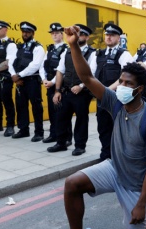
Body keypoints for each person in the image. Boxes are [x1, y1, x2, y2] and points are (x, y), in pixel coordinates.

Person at [61, 25, 146, 229]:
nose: (121, 86)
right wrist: (74, 45)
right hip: (113, 169)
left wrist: (141, 204)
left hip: (134, 184)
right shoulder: (116, 102)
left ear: (139, 89)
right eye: (120, 81)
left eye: (127, 83)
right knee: (72, 183)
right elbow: (86, 76)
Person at [47, 24, 96, 156]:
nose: (80, 37)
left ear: (87, 37)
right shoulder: (66, 52)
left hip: (82, 93)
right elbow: (60, 71)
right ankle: (61, 142)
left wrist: (81, 86)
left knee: (81, 120)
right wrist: (57, 91)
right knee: (61, 118)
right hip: (66, 91)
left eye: (83, 35)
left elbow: (92, 74)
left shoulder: (92, 53)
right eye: (78, 34)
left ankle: (80, 145)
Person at [91, 23, 133, 160]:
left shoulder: (124, 54)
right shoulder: (98, 54)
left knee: (119, 130)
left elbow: (125, 77)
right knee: (103, 128)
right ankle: (106, 156)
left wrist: (106, 90)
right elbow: (91, 75)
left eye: (112, 35)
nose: (109, 37)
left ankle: (119, 157)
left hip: (117, 99)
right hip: (102, 99)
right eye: (107, 35)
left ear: (118, 38)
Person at [9, 21, 45, 142]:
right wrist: (14, 76)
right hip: (19, 82)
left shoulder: (38, 47)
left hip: (32, 81)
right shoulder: (19, 47)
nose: (25, 34)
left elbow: (35, 65)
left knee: (36, 107)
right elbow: (11, 62)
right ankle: (23, 130)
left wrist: (19, 75)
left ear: (33, 33)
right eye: (23, 32)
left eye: (27, 32)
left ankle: (39, 132)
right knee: (20, 106)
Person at [40, 22, 72, 144]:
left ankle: (67, 137)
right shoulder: (50, 49)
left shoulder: (66, 49)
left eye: (57, 33)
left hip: (60, 85)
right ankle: (54, 134)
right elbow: (42, 66)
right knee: (52, 112)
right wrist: (44, 80)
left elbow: (63, 69)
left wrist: (53, 82)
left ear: (62, 34)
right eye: (52, 33)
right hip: (49, 84)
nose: (54, 36)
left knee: (63, 112)